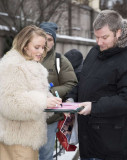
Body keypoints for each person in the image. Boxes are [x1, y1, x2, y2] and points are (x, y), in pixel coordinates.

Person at [66, 10, 127, 160]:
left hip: (114, 145)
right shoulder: (94, 52)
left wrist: (94, 107)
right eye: (96, 37)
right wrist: (71, 99)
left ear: (118, 32)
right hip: (89, 141)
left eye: (104, 37)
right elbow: (83, 80)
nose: (99, 42)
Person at [0, 25, 62, 160]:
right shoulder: (13, 65)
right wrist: (43, 102)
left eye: (43, 47)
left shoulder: (33, 64)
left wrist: (52, 101)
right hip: (17, 139)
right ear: (24, 45)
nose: (41, 51)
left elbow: (37, 93)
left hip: (29, 137)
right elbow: (10, 103)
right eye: (37, 47)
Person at [39, 22, 77, 160]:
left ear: (54, 42)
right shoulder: (28, 57)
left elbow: (72, 83)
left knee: (45, 155)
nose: (46, 42)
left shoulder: (60, 60)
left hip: (50, 118)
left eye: (50, 39)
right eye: (43, 37)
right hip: (28, 116)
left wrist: (52, 91)